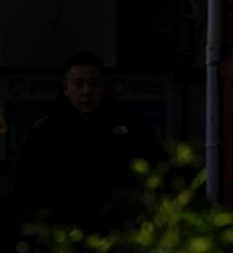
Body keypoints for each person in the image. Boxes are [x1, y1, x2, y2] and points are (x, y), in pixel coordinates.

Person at [14, 51, 164, 229]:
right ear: (66, 88)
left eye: (93, 84)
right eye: (78, 84)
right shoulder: (45, 133)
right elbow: (26, 188)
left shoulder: (130, 128)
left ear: (103, 87)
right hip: (63, 230)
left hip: (117, 230)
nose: (86, 92)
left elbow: (154, 173)